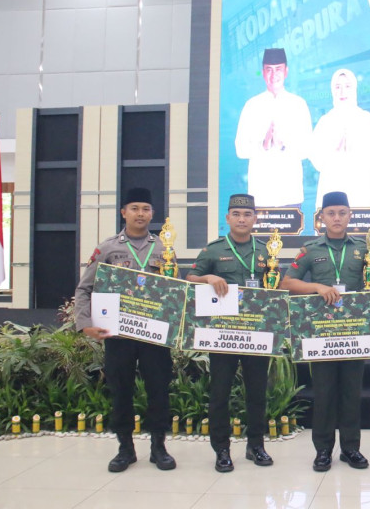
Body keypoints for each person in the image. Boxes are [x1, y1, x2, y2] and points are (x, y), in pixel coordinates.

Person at [280, 191, 370, 471]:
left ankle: (351, 449)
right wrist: (317, 287)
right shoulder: (310, 249)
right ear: (322, 217)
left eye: (342, 212)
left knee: (352, 392)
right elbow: (286, 283)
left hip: (354, 333)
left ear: (350, 215)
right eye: (331, 213)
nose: (337, 218)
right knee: (325, 393)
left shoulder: (364, 249)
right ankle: (323, 450)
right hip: (322, 334)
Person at [74, 187, 176, 473]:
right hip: (118, 335)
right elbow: (85, 289)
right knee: (121, 390)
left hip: (155, 335)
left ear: (152, 214)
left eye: (145, 208)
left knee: (159, 390)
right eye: (134, 208)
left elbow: (175, 292)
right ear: (124, 213)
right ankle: (125, 448)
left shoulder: (163, 249)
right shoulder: (108, 248)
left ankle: (159, 447)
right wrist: (85, 325)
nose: (140, 213)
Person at [186, 194, 274, 473]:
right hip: (222, 334)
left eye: (247, 214)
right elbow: (189, 279)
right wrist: (208, 277)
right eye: (236, 214)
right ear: (227, 218)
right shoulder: (213, 250)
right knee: (220, 393)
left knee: (257, 392)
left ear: (255, 219)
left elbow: (275, 284)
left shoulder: (265, 252)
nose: (241, 219)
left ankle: (256, 445)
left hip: (256, 333)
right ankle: (221, 449)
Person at [235, 48, 313, 207]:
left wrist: (282, 145)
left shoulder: (298, 104)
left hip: (290, 194)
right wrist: (263, 144)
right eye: (269, 70)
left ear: (286, 71)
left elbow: (307, 149)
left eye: (278, 69)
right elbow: (240, 149)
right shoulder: (252, 106)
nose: (273, 74)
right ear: (263, 72)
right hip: (260, 195)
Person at [310, 69, 370, 207]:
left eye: (347, 86)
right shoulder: (325, 121)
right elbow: (316, 160)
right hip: (331, 191)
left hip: (359, 193)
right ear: (332, 90)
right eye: (337, 87)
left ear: (354, 89)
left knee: (361, 227)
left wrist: (357, 149)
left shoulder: (365, 119)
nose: (342, 92)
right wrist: (333, 152)